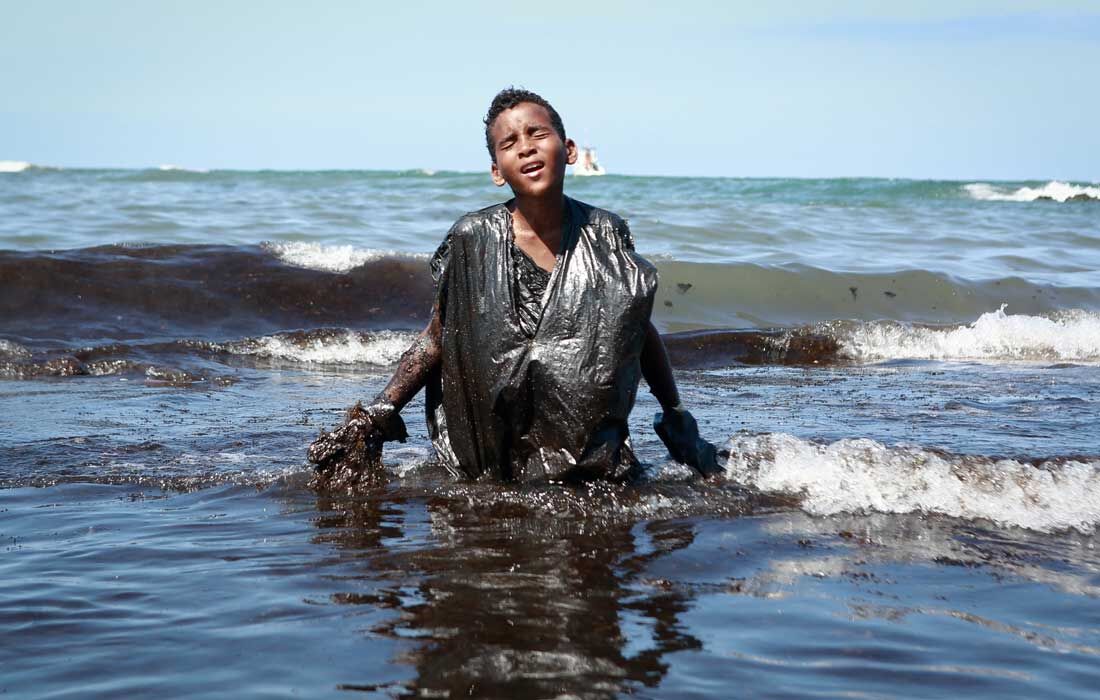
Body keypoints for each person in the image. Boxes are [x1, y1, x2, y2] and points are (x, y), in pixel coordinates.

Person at [308, 88, 719, 486]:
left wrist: (676, 413)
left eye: (538, 134)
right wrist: (380, 411)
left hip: (589, 457)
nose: (526, 147)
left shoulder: (607, 232)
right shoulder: (472, 237)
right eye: (509, 143)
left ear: (569, 149)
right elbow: (438, 337)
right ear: (496, 172)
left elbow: (635, 328)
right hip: (494, 456)